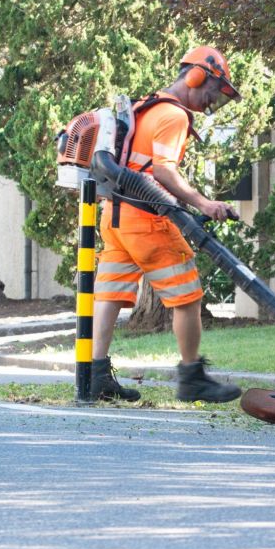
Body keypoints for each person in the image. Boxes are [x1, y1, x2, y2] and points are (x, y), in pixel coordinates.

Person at [90, 45, 243, 403]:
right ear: (196, 76)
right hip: (147, 219)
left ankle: (96, 375)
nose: (211, 102)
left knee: (110, 294)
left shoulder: (147, 107)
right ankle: (192, 377)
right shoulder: (174, 115)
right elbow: (163, 171)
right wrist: (204, 203)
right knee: (188, 296)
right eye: (213, 92)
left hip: (114, 216)